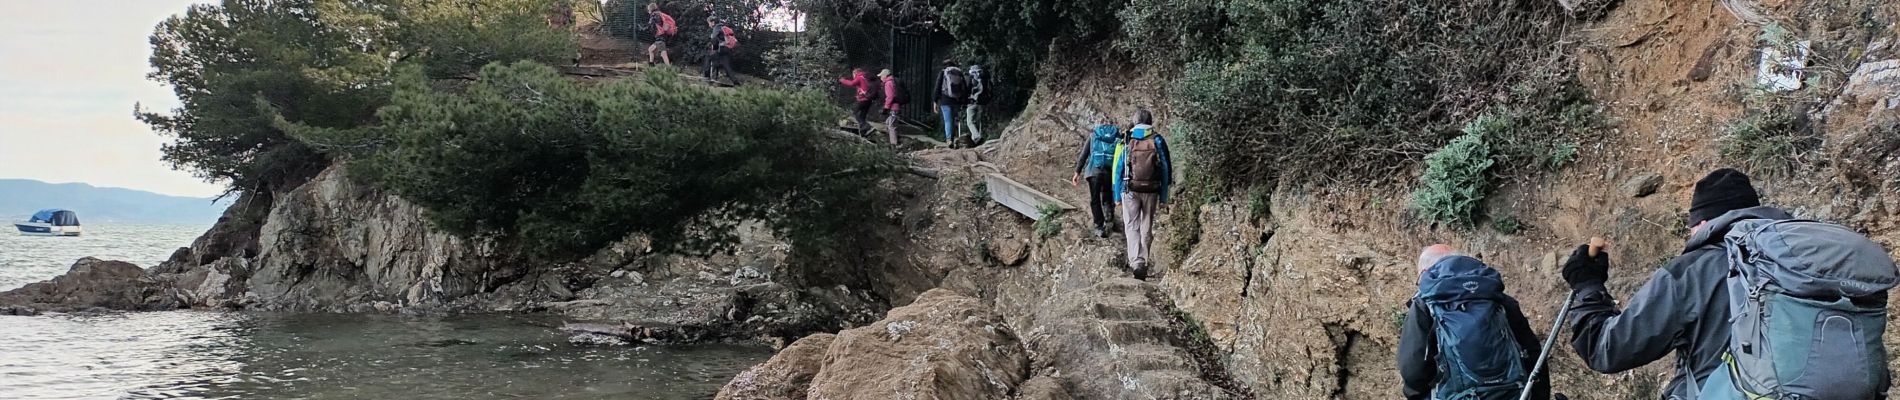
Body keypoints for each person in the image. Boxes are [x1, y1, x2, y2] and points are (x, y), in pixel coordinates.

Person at [1560, 168, 1895, 399]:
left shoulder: (1691, 272)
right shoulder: (1807, 259)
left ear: (1704, 223)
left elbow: (1607, 349)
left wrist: (1587, 284)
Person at [1399, 245, 1551, 400]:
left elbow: (1413, 370)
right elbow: (1533, 354)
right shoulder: (1499, 300)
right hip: (1511, 393)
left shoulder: (1425, 305)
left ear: (1425, 273)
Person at [1110, 110, 1172, 280]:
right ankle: (1143, 261)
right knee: (1146, 224)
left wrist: (1116, 195)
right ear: (1150, 121)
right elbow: (1166, 168)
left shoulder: (1127, 139)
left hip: (1129, 188)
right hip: (1151, 190)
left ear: (1135, 121)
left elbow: (1118, 169)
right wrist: (1164, 196)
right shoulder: (1157, 139)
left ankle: (1136, 262)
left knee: (1131, 226)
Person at [1070, 123, 1121, 238]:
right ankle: (1109, 220)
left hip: (1094, 172)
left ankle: (1099, 226)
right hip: (1110, 172)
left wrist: (1077, 172)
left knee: (1095, 199)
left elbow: (1084, 155)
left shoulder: (1094, 135)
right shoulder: (1117, 137)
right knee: (1108, 196)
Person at [933, 59, 970, 147]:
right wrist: (964, 101)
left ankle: (949, 139)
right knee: (954, 120)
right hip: (957, 100)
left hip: (945, 100)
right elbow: (964, 88)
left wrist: (935, 101)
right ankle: (956, 139)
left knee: (948, 120)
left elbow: (937, 86)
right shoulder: (959, 72)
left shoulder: (943, 72)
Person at [838, 68, 875, 136]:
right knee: (862, 116)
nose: (853, 77)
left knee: (854, 112)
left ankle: (867, 126)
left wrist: (842, 80)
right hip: (869, 100)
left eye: (853, 75)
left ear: (855, 73)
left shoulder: (859, 77)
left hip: (863, 99)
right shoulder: (866, 77)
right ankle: (864, 132)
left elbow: (852, 83)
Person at [703, 17, 739, 86]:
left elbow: (714, 39)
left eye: (709, 23)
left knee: (708, 57)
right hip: (727, 48)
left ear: (713, 22)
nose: (709, 25)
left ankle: (706, 76)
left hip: (722, 48)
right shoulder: (722, 26)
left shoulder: (716, 27)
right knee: (726, 66)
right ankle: (736, 83)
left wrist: (712, 48)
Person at [879, 69, 904, 147]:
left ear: (885, 76)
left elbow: (890, 96)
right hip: (895, 106)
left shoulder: (888, 83)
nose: (880, 78)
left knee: (892, 125)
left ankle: (894, 144)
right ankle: (892, 141)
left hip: (893, 107)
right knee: (888, 123)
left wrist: (886, 107)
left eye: (881, 76)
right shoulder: (893, 81)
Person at [965, 63, 988, 144]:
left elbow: (967, 90)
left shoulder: (971, 79)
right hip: (982, 103)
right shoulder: (984, 79)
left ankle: (976, 136)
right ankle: (976, 140)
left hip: (972, 103)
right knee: (978, 122)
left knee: (970, 122)